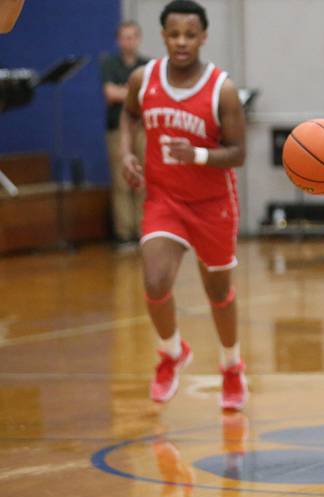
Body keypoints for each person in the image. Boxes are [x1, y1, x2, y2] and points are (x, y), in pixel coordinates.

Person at [120, 0, 248, 410]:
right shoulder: (144, 78)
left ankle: (231, 365)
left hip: (213, 204)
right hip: (164, 199)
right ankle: (171, 353)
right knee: (155, 281)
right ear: (162, 36)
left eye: (189, 35)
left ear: (203, 37)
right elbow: (128, 115)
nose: (181, 42)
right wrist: (127, 154)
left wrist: (195, 154)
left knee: (218, 292)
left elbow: (239, 153)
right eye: (174, 34)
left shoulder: (220, 89)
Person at [101, 20, 149, 246]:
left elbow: (149, 95)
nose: (128, 41)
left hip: (143, 128)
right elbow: (110, 93)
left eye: (132, 36)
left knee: (144, 179)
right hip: (116, 130)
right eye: (124, 37)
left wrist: (126, 92)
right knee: (121, 181)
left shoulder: (146, 65)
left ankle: (144, 230)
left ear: (138, 39)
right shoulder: (109, 64)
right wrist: (134, 92)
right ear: (118, 40)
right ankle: (124, 233)